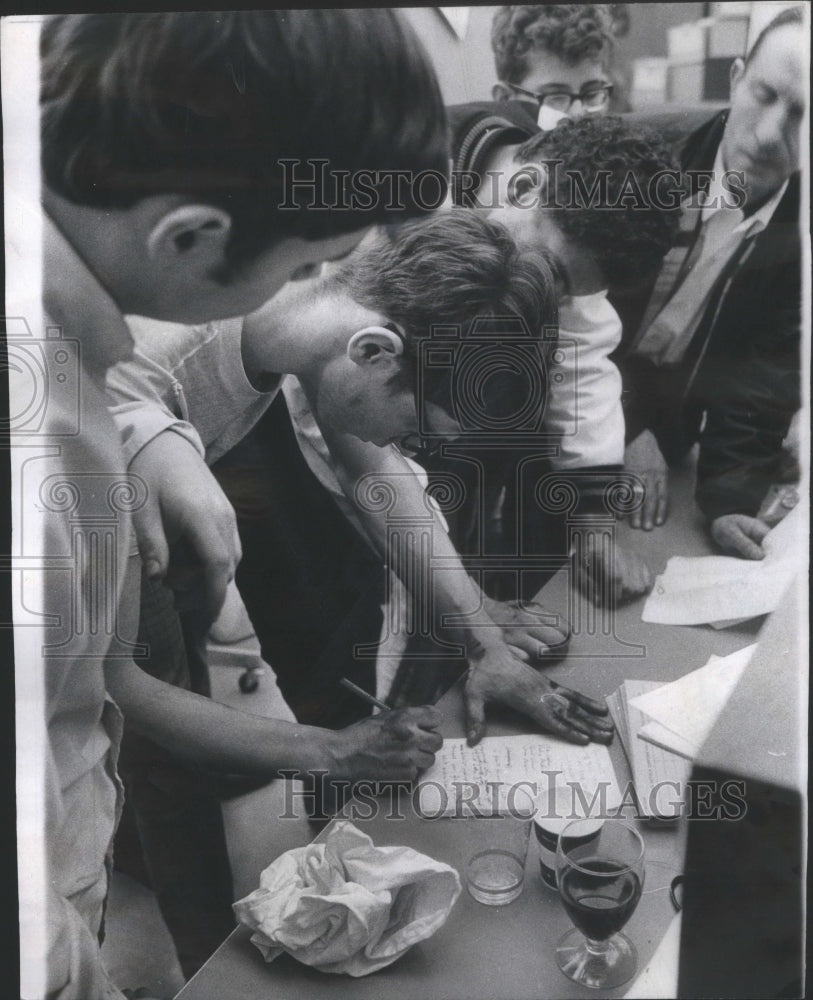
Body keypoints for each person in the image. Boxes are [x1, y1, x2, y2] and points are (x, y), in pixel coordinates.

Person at [17, 9, 453, 996]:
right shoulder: (46, 432)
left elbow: (100, 678)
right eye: (306, 265)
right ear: (190, 235)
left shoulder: (78, 361)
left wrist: (325, 747)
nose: (313, 294)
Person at [108, 212, 613, 749]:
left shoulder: (325, 307)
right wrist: (334, 754)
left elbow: (373, 473)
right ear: (374, 352)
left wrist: (484, 646)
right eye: (418, 431)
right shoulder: (151, 376)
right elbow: (118, 684)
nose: (415, 451)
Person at [445, 114, 681, 603]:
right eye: (551, 274)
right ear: (525, 186)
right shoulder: (404, 181)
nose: (549, 303)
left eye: (567, 293)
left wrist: (593, 528)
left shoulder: (560, 226)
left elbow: (582, 371)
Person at [616, 6, 804, 560]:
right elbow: (571, 313)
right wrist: (624, 429)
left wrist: (728, 501)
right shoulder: (639, 161)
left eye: (803, 114)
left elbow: (762, 379)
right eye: (765, 95)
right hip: (572, 408)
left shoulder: (803, 236)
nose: (772, 135)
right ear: (736, 77)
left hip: (674, 434)